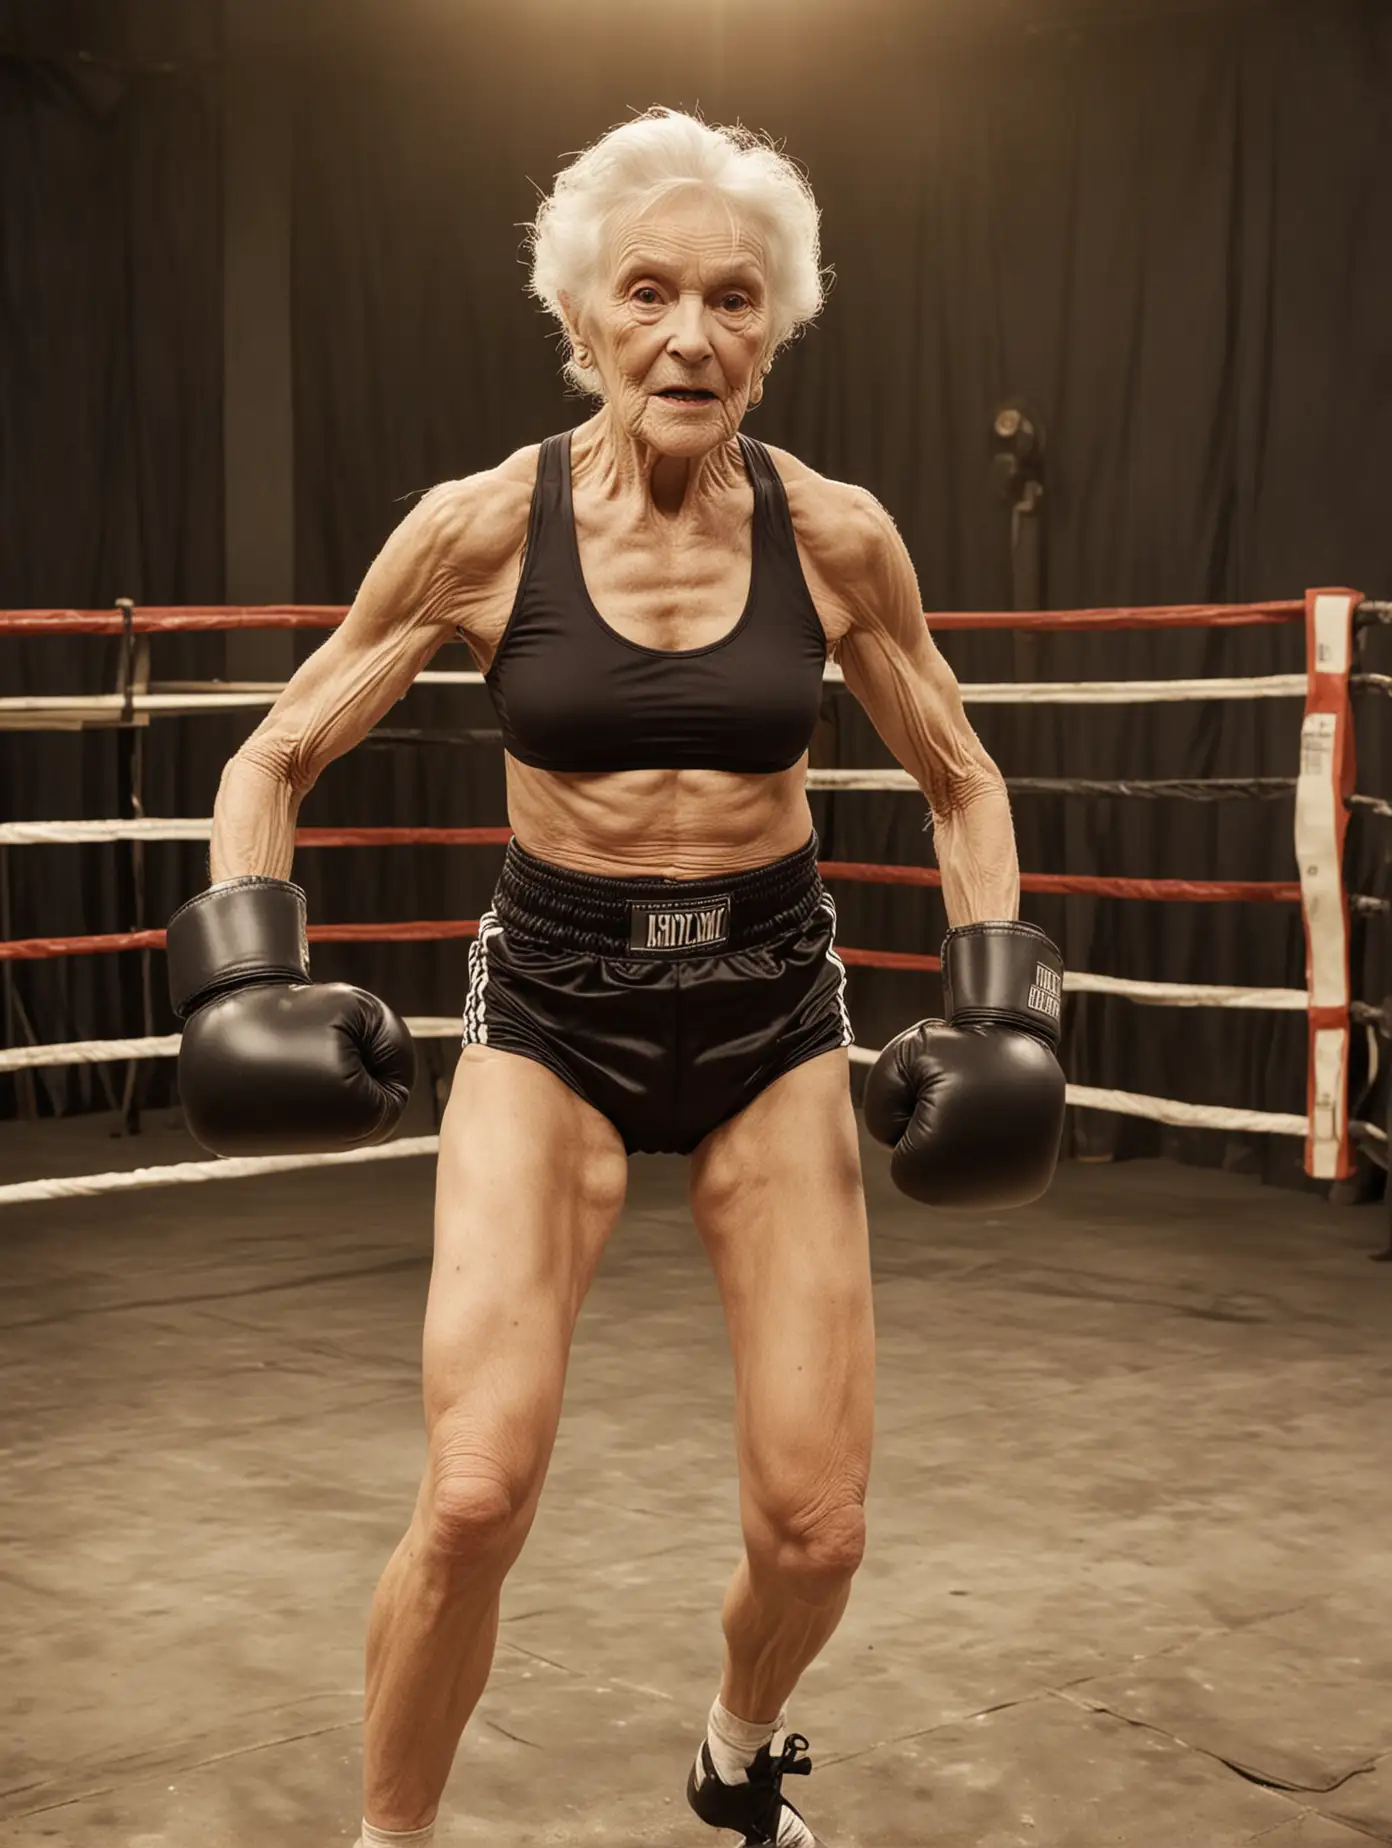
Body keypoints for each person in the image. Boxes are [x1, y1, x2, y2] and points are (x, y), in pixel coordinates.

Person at [165, 109, 1065, 1848]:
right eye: (647, 294)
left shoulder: (840, 537)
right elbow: (274, 753)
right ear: (581, 318)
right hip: (556, 1012)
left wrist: (1006, 1013)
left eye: (732, 299)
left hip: (769, 1014)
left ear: (775, 327)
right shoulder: (481, 528)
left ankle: (737, 1753)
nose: (689, 334)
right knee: (480, 1489)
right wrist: (237, 976)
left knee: (819, 1530)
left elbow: (962, 778)